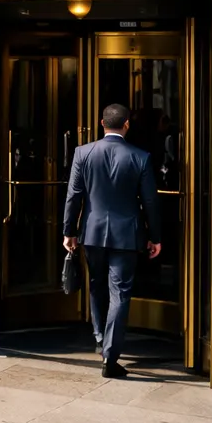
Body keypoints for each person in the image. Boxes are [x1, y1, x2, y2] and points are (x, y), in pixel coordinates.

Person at [62, 102, 161, 378]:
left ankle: (98, 336)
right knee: (120, 293)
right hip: (127, 235)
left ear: (102, 124)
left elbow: (74, 196)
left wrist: (69, 231)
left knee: (96, 284)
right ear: (126, 124)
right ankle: (110, 355)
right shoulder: (141, 157)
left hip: (92, 232)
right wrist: (155, 237)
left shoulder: (83, 152)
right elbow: (151, 201)